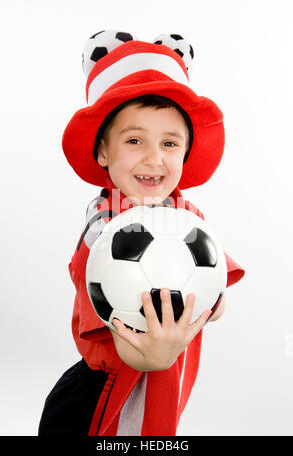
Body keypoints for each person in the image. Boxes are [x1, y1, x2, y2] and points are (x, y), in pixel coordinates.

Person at [38, 30, 245, 436]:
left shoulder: (189, 217)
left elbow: (217, 289)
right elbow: (121, 336)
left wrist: (209, 301)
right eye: (135, 140)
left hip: (163, 393)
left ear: (185, 153)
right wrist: (150, 353)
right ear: (103, 152)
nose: (154, 158)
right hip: (102, 399)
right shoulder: (103, 226)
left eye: (170, 143)